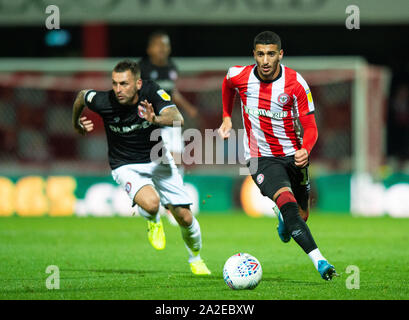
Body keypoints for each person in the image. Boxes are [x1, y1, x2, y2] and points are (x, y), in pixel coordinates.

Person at [72, 59, 211, 275]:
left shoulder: (152, 91)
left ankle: (196, 258)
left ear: (137, 84)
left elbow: (178, 118)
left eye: (124, 84)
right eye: (115, 83)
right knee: (152, 203)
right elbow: (82, 96)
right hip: (124, 165)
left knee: (184, 216)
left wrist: (155, 118)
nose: (118, 89)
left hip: (158, 160)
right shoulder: (103, 100)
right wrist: (76, 122)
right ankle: (153, 220)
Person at [218, 31, 338, 281]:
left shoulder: (296, 84)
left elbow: (311, 126)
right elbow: (227, 84)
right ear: (254, 54)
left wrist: (306, 148)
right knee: (290, 208)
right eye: (260, 54)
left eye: (271, 54)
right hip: (260, 158)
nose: (265, 60)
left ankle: (284, 221)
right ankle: (321, 262)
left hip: (294, 156)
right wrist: (226, 116)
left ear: (280, 54)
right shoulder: (239, 75)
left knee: (302, 215)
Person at [138, 31, 198, 168]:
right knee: (162, 160)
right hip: (152, 123)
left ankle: (175, 185)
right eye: (158, 45)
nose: (162, 48)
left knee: (177, 160)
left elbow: (172, 93)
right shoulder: (141, 69)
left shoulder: (172, 68)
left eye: (165, 45)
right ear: (149, 49)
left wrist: (188, 108)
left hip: (171, 119)